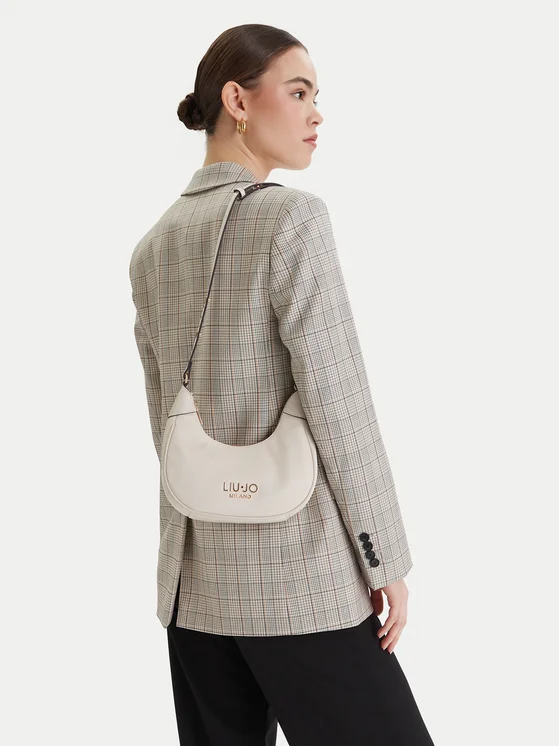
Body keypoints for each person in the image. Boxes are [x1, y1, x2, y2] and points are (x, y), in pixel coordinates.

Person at [129, 22, 435, 746]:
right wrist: (383, 558)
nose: (316, 113)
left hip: (194, 588)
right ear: (237, 101)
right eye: (298, 93)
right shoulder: (292, 220)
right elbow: (339, 400)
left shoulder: (153, 246)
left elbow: (163, 419)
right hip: (300, 581)